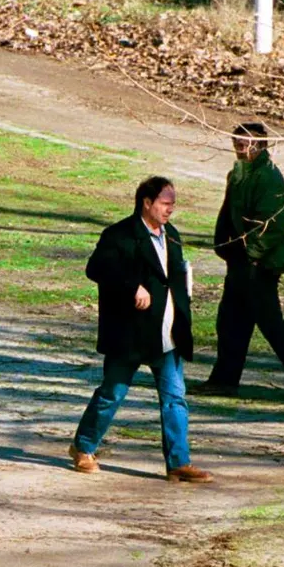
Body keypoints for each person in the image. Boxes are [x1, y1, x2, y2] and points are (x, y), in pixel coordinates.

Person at [70, 176, 214, 482]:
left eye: (173, 203)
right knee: (112, 394)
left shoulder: (172, 235)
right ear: (146, 203)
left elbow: (174, 279)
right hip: (130, 334)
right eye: (165, 203)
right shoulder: (119, 234)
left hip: (168, 334)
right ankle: (83, 448)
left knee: (175, 399)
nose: (170, 209)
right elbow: (95, 268)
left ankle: (178, 463)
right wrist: (130, 287)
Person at [193, 122, 284, 402]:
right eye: (237, 143)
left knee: (269, 323)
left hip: (258, 263)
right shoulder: (240, 173)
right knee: (231, 321)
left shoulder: (267, 178)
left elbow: (274, 225)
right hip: (244, 261)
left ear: (262, 145)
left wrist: (251, 255)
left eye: (247, 144)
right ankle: (224, 380)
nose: (241, 148)